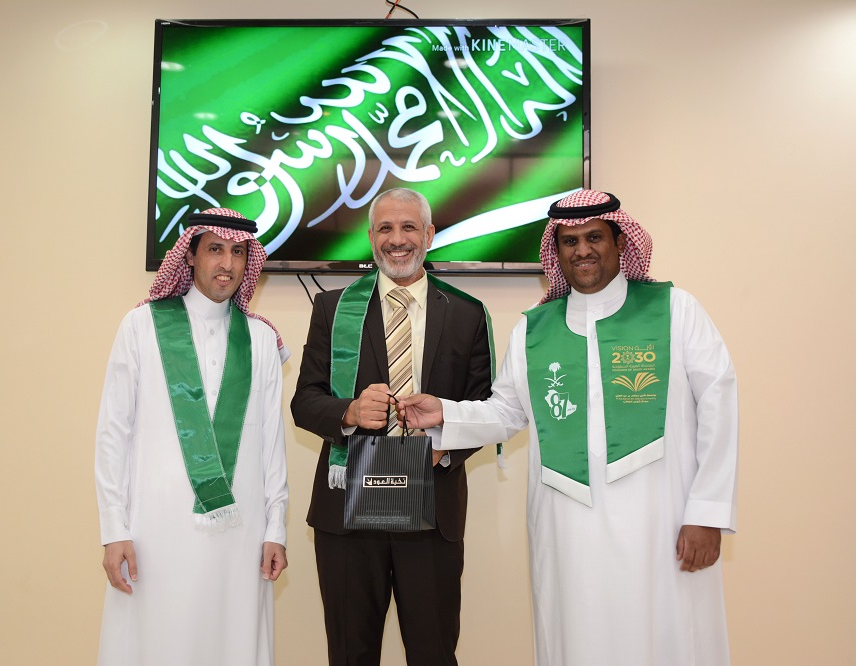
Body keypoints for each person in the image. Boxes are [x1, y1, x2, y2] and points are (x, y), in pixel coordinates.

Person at [400, 188, 739, 665]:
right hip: (567, 527)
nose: (582, 250)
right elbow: (507, 412)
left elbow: (720, 404)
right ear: (555, 252)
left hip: (662, 520)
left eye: (594, 237)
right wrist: (446, 413)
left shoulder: (675, 310)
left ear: (620, 241)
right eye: (570, 241)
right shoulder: (534, 329)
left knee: (665, 636)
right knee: (578, 637)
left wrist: (706, 512)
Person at [291, 187, 494, 665]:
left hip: (431, 507)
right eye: (385, 228)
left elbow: (487, 410)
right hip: (348, 512)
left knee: (433, 653)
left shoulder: (467, 313)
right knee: (350, 654)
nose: (396, 239)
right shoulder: (333, 309)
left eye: (408, 227)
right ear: (371, 237)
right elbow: (305, 402)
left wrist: (444, 446)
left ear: (429, 234)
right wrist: (348, 412)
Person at [94, 208, 290, 666]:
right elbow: (112, 434)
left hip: (241, 534)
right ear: (190, 257)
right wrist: (114, 529)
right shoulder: (141, 326)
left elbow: (272, 444)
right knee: (158, 639)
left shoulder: (260, 339)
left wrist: (276, 528)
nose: (227, 263)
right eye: (215, 250)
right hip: (154, 529)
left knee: (232, 638)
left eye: (238, 253)